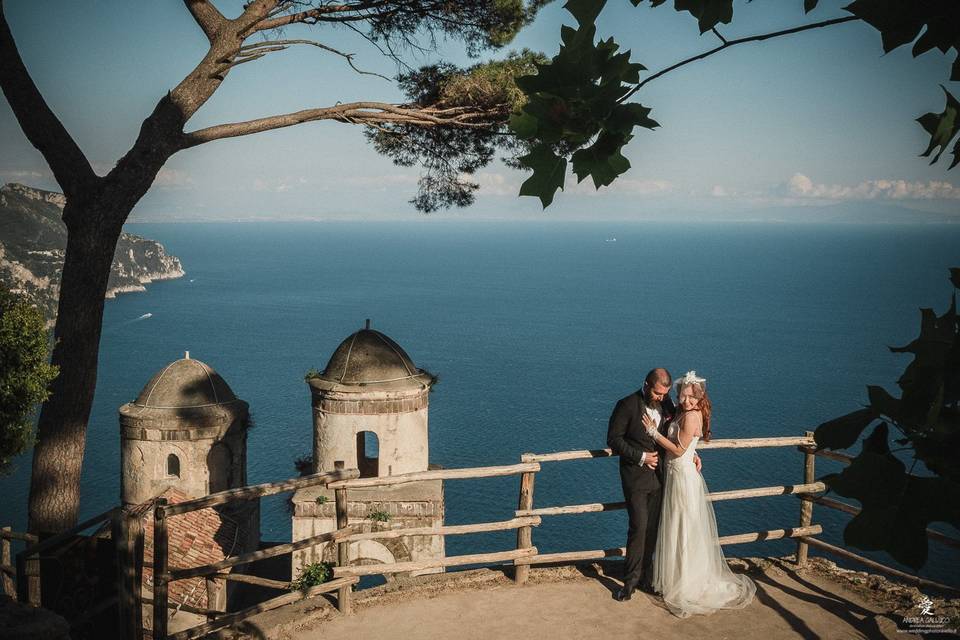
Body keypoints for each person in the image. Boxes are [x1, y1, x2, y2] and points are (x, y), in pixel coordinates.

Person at [645, 371, 756, 618]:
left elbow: (676, 448)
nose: (686, 401)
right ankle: (676, 579)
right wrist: (693, 453)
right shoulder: (683, 412)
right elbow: (686, 447)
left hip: (683, 478)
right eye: (683, 396)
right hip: (676, 474)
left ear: (699, 398)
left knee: (685, 527)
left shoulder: (692, 417)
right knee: (676, 526)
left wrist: (653, 433)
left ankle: (687, 583)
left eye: (691, 398)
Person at [606, 368, 700, 601]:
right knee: (638, 527)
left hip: (662, 478)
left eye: (665, 394)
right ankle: (629, 584)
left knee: (654, 529)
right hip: (635, 478)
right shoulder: (626, 405)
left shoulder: (668, 405)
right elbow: (613, 439)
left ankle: (648, 577)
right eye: (658, 393)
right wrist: (641, 457)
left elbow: (679, 436)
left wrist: (692, 453)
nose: (661, 398)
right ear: (646, 385)